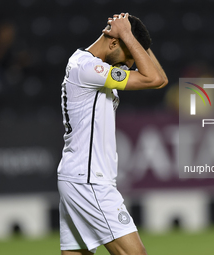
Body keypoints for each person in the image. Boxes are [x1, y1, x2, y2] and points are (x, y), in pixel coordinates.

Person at [57, 12, 168, 255]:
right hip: (89, 179)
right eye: (129, 56)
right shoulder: (88, 68)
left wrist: (133, 38)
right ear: (115, 42)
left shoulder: (87, 65)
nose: (129, 65)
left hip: (77, 177)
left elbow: (160, 81)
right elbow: (154, 78)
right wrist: (127, 33)